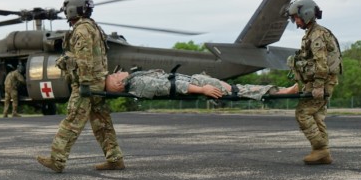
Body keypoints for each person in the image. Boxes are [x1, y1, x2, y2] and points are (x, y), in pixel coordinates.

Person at [36, 0, 124, 173]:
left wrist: (83, 83)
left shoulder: (81, 30)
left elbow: (84, 59)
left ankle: (57, 159)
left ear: (71, 10)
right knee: (102, 123)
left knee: (72, 120)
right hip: (98, 82)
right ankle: (115, 158)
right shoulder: (94, 27)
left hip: (88, 84)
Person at [286, 0, 342, 165]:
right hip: (321, 81)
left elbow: (321, 62)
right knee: (316, 116)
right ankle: (323, 154)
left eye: (296, 17)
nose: (295, 21)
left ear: (306, 14)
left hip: (322, 82)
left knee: (302, 114)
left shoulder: (317, 34)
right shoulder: (312, 33)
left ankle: (320, 149)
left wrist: (318, 85)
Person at [104, 69, 299, 100]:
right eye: (113, 77)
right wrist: (202, 89)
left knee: (235, 89)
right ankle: (283, 92)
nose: (116, 73)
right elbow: (172, 87)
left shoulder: (136, 79)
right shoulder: (139, 84)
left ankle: (283, 91)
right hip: (195, 83)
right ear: (120, 85)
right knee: (236, 91)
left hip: (194, 80)